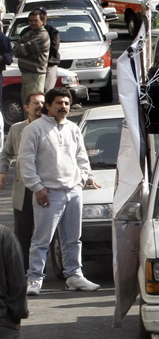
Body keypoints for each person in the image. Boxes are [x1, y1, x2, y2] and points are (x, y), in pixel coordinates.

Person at [19, 88, 101, 296]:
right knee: (42, 240)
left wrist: (82, 178)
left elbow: (81, 157)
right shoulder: (34, 129)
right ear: (48, 106)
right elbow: (25, 161)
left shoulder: (73, 128)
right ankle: (35, 278)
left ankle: (74, 276)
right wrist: (37, 188)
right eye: (59, 103)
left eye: (66, 103)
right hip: (49, 193)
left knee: (73, 238)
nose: (63, 107)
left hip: (73, 191)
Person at [0, 93, 43, 268]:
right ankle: (22, 269)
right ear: (26, 107)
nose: (40, 105)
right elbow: (6, 152)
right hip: (24, 189)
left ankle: (53, 269)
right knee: (23, 233)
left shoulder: (52, 127)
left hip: (47, 187)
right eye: (35, 103)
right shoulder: (17, 129)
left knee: (47, 232)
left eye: (42, 102)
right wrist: (2, 171)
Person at [12, 11, 48, 103]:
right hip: (27, 74)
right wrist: (18, 47)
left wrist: (19, 47)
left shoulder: (42, 36)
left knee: (35, 103)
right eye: (30, 21)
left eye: (35, 20)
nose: (32, 23)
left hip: (35, 75)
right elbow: (16, 47)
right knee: (27, 103)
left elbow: (21, 50)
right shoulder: (30, 33)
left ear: (43, 20)